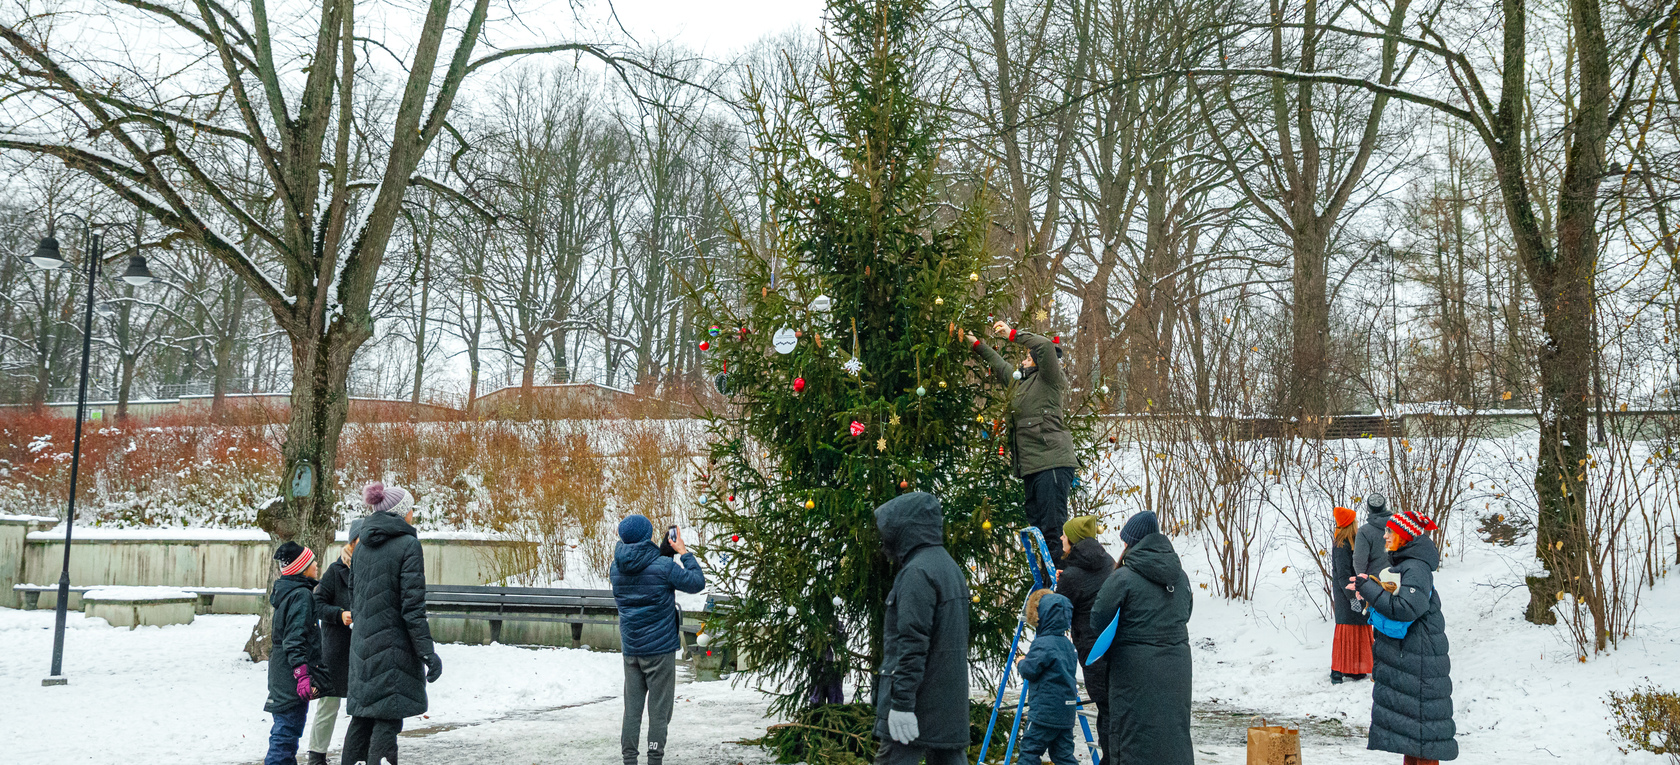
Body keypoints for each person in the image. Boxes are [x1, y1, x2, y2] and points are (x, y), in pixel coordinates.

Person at [966, 321, 1079, 568]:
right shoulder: (1019, 381)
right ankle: (1049, 578)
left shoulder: (1049, 378)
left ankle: (1060, 582)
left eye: (1028, 358)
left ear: (1038, 362)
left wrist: (1013, 334)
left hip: (1051, 464)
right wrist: (974, 343)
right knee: (1039, 531)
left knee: (1053, 530)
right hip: (1032, 467)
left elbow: (1045, 346)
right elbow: (998, 364)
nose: (1024, 361)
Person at [1348, 510, 1458, 764]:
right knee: (1414, 739)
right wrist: (1370, 587)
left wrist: (1370, 589)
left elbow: (1406, 609)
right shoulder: (1407, 565)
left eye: (1390, 531)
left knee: (1424, 742)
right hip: (1413, 660)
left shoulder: (1416, 568)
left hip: (1419, 662)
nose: (1384, 536)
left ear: (1404, 536)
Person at [345, 484, 441, 765]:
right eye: (410, 509)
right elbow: (412, 609)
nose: (412, 514)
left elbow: (354, 597)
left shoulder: (361, 547)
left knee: (362, 718)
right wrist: (428, 653)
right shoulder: (408, 545)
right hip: (392, 650)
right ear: (401, 513)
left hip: (362, 649)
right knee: (388, 717)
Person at [872, 491, 971, 765]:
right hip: (946, 705)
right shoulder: (948, 567)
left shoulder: (917, 572)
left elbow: (912, 643)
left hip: (917, 708)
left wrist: (901, 704)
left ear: (903, 529)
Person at [1089, 510, 1193, 765]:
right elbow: (1186, 612)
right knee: (1172, 734)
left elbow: (1098, 621)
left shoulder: (1123, 578)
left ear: (1131, 542)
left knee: (1133, 737)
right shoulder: (1180, 577)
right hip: (1177, 668)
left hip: (1133, 671)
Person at [611, 515, 705, 765]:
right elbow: (696, 582)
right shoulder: (663, 568)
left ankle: (629, 759)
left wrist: (664, 553)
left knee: (632, 711)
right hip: (660, 650)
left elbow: (644, 573)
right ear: (646, 536)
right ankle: (654, 758)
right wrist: (683, 552)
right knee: (659, 711)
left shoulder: (616, 568)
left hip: (632, 649)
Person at [1054, 515, 1115, 760]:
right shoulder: (1109, 562)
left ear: (1074, 540)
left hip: (1092, 651)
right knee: (1113, 709)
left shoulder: (1071, 577)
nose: (1061, 538)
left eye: (1065, 534)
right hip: (1114, 645)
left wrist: (1056, 588)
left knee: (1106, 711)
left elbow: (1059, 612)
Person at [305, 517, 363, 764]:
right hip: (336, 649)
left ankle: (358, 754)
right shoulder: (334, 571)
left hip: (363, 648)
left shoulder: (373, 568)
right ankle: (316, 755)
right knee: (328, 705)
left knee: (363, 706)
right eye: (361, 539)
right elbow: (316, 604)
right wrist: (339, 615)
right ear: (352, 542)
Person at [265, 541, 325, 765]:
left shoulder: (289, 592)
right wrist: (302, 674)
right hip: (290, 675)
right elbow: (294, 639)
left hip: (281, 672)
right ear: (302, 568)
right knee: (286, 734)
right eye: (312, 562)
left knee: (286, 731)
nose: (316, 565)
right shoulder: (301, 595)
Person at [1015, 590, 1080, 765]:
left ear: (1041, 615)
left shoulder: (1043, 643)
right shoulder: (1068, 645)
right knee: (1063, 755)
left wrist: (1020, 662)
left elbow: (1030, 670)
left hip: (1044, 712)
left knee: (1029, 751)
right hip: (1066, 712)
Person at [1329, 506, 1371, 685]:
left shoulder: (1352, 542)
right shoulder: (1341, 545)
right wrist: (1352, 596)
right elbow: (1343, 575)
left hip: (1356, 591)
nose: (1357, 523)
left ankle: (1355, 669)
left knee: (1358, 627)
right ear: (1350, 524)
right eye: (1354, 521)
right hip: (1347, 594)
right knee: (1346, 630)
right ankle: (1337, 671)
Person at [1354, 493, 1393, 577]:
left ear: (1368, 509)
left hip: (1375, 580)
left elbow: (1360, 561)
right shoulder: (1400, 526)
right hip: (1401, 578)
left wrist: (1362, 580)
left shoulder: (1364, 532)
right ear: (1384, 506)